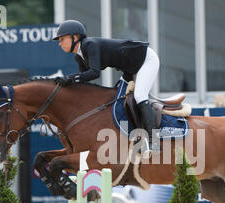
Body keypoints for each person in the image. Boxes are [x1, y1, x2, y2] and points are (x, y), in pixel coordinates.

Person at [53, 20, 160, 153]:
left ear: (75, 37)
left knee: (140, 96)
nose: (60, 43)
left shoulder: (89, 45)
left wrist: (69, 78)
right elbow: (83, 84)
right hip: (130, 68)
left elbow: (94, 72)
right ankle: (135, 137)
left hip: (146, 60)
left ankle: (154, 142)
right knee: (117, 97)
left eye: (62, 39)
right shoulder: (79, 57)